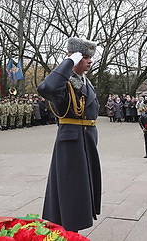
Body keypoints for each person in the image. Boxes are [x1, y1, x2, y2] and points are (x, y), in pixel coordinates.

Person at [37, 37, 102, 232]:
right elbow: (46, 88)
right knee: (70, 188)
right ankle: (68, 228)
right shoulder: (64, 83)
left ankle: (73, 226)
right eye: (84, 56)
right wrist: (68, 62)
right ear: (72, 58)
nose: (89, 60)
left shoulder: (84, 81)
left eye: (91, 56)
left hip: (86, 138)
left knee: (82, 187)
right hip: (71, 140)